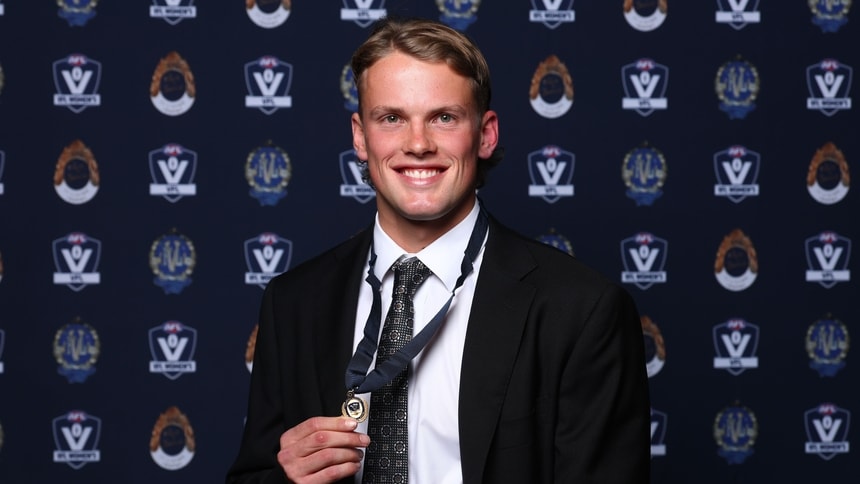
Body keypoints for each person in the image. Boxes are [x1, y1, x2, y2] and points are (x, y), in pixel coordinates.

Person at [226, 16, 650, 484]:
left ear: (485, 134)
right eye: (391, 118)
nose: (418, 144)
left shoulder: (581, 310)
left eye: (444, 117)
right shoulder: (293, 303)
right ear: (360, 137)